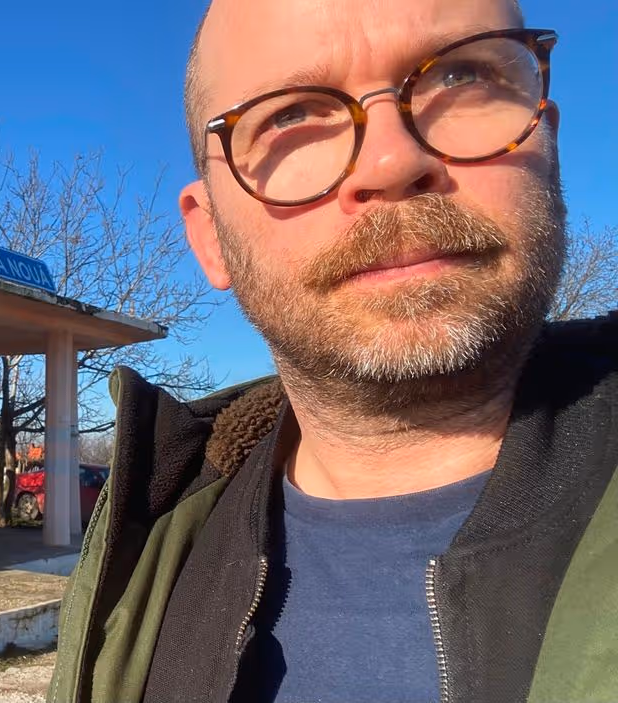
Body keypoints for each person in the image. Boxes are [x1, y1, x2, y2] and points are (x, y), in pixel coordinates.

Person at [46, 0, 617, 701]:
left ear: (546, 144)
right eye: (289, 115)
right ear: (210, 237)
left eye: (461, 76)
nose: (392, 160)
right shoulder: (146, 560)